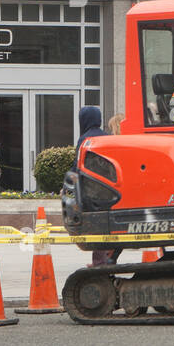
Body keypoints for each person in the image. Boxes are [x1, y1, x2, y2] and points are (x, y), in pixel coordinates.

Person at [76, 106, 119, 267]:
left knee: (97, 228)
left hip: (92, 191)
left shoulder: (84, 140)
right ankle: (108, 258)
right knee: (107, 226)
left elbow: (77, 166)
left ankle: (100, 261)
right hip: (109, 189)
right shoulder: (107, 137)